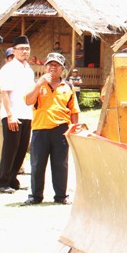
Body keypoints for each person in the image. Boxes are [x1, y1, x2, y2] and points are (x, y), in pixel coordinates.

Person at [22, 52, 79, 205]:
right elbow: (28, 101)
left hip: (61, 130)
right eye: (50, 65)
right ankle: (35, 196)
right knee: (37, 164)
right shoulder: (37, 84)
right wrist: (39, 84)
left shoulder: (68, 86)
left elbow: (74, 110)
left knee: (60, 164)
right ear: (45, 67)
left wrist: (73, 128)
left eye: (56, 65)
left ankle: (61, 196)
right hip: (40, 129)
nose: (52, 67)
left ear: (62, 69)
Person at [0, 35, 36, 193]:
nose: (24, 51)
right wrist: (10, 115)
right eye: (21, 49)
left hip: (27, 114)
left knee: (21, 149)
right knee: (10, 148)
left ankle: (12, 178)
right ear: (14, 51)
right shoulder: (8, 69)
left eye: (27, 49)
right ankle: (2, 182)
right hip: (13, 114)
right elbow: (4, 93)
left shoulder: (29, 70)